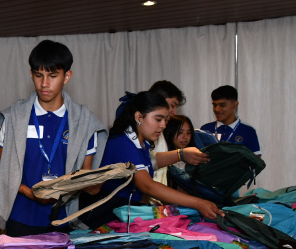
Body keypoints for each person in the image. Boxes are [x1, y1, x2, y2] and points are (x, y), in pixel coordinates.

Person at [0, 40, 108, 236]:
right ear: (31, 74)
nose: (44, 84)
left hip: (64, 218)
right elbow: (1, 171)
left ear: (67, 76)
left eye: (53, 76)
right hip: (20, 217)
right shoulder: (14, 118)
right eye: (39, 75)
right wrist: (30, 193)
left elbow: (87, 176)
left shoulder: (84, 122)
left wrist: (95, 182)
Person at [80, 91, 223, 228]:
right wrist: (198, 203)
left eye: (165, 120)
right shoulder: (122, 143)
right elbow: (147, 185)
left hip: (121, 213)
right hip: (106, 218)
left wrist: (180, 154)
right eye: (158, 119)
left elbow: (149, 162)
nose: (163, 125)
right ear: (138, 117)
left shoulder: (139, 142)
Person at [146, 81, 208, 185]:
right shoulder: (137, 128)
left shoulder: (160, 129)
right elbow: (143, 162)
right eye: (172, 105)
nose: (174, 112)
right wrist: (180, 155)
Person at [200, 85, 261, 155]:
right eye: (214, 105)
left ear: (235, 105)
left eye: (222, 105)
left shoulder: (248, 131)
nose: (217, 109)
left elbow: (256, 162)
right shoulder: (205, 129)